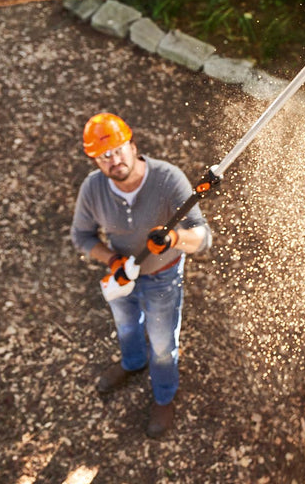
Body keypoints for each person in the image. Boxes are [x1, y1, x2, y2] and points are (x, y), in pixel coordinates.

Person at [71, 112, 211, 438]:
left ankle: (164, 395)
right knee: (125, 326)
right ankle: (133, 362)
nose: (114, 160)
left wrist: (174, 239)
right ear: (95, 160)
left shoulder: (167, 179)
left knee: (162, 344)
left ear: (133, 146)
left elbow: (202, 237)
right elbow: (82, 237)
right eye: (103, 156)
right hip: (123, 276)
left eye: (119, 149)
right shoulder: (93, 190)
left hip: (163, 277)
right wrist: (111, 260)